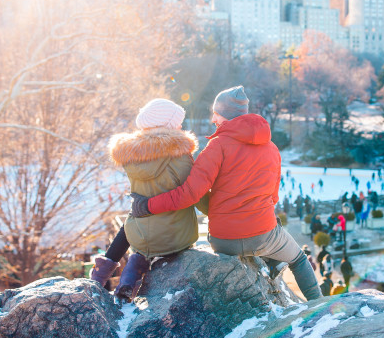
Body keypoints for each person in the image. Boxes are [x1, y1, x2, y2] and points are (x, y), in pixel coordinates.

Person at [130, 86, 322, 301]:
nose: (213, 118)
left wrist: (147, 205)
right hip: (263, 234)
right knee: (298, 259)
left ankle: (270, 260)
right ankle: (319, 306)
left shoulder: (216, 146)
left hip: (224, 240)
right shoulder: (271, 148)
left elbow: (190, 194)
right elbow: (273, 197)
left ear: (225, 115)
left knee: (269, 239)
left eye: (216, 113)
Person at [90, 99, 202, 302]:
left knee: (136, 218)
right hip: (175, 237)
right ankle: (135, 264)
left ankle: (130, 271)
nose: (180, 126)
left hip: (140, 235)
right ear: (167, 125)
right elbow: (194, 193)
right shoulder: (180, 156)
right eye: (177, 122)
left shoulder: (132, 156)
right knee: (161, 221)